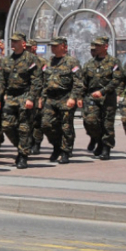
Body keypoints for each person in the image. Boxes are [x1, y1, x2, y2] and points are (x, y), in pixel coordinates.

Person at [0, 32, 42, 169]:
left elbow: (36, 81)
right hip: (11, 96)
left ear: (23, 43)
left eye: (16, 42)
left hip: (25, 95)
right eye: (12, 42)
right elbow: (1, 81)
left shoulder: (31, 60)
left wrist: (31, 98)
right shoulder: (7, 60)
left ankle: (22, 155)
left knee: (24, 127)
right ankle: (23, 146)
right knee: (7, 126)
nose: (13, 44)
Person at [40, 36, 85, 164]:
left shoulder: (72, 62)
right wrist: (41, 98)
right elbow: (44, 81)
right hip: (50, 98)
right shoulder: (49, 62)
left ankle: (65, 151)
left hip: (65, 97)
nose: (53, 48)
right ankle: (56, 146)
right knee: (46, 124)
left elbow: (78, 82)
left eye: (56, 45)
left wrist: (73, 97)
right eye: (52, 46)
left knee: (66, 126)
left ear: (64, 47)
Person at [80, 36, 122, 161]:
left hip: (107, 97)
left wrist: (103, 91)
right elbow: (83, 82)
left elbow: (116, 80)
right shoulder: (89, 64)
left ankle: (106, 148)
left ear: (106, 46)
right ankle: (98, 140)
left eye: (99, 45)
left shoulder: (113, 62)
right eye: (95, 46)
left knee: (107, 124)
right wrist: (80, 96)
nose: (96, 48)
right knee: (90, 121)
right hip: (92, 97)